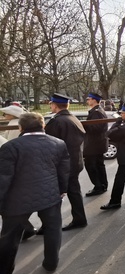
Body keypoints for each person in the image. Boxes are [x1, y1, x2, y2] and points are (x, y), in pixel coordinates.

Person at [0, 112, 69, 274]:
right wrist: (62, 190)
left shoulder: (11, 147)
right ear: (43, 125)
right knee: (53, 229)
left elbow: (3, 178)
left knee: (9, 236)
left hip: (17, 199)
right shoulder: (58, 144)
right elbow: (64, 170)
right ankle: (51, 263)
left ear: (20, 127)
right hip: (50, 194)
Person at [45, 93, 87, 231]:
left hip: (63, 164)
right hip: (75, 161)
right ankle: (79, 218)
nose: (50, 106)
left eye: (51, 104)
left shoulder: (57, 121)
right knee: (74, 191)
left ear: (55, 105)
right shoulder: (72, 118)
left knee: (54, 194)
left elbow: (49, 144)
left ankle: (49, 225)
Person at [83, 92, 109, 197]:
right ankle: (102, 185)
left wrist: (84, 126)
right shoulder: (97, 111)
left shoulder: (96, 112)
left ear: (94, 100)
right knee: (99, 165)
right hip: (97, 144)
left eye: (89, 99)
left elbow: (97, 128)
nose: (87, 101)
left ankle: (98, 186)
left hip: (94, 145)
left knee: (91, 166)